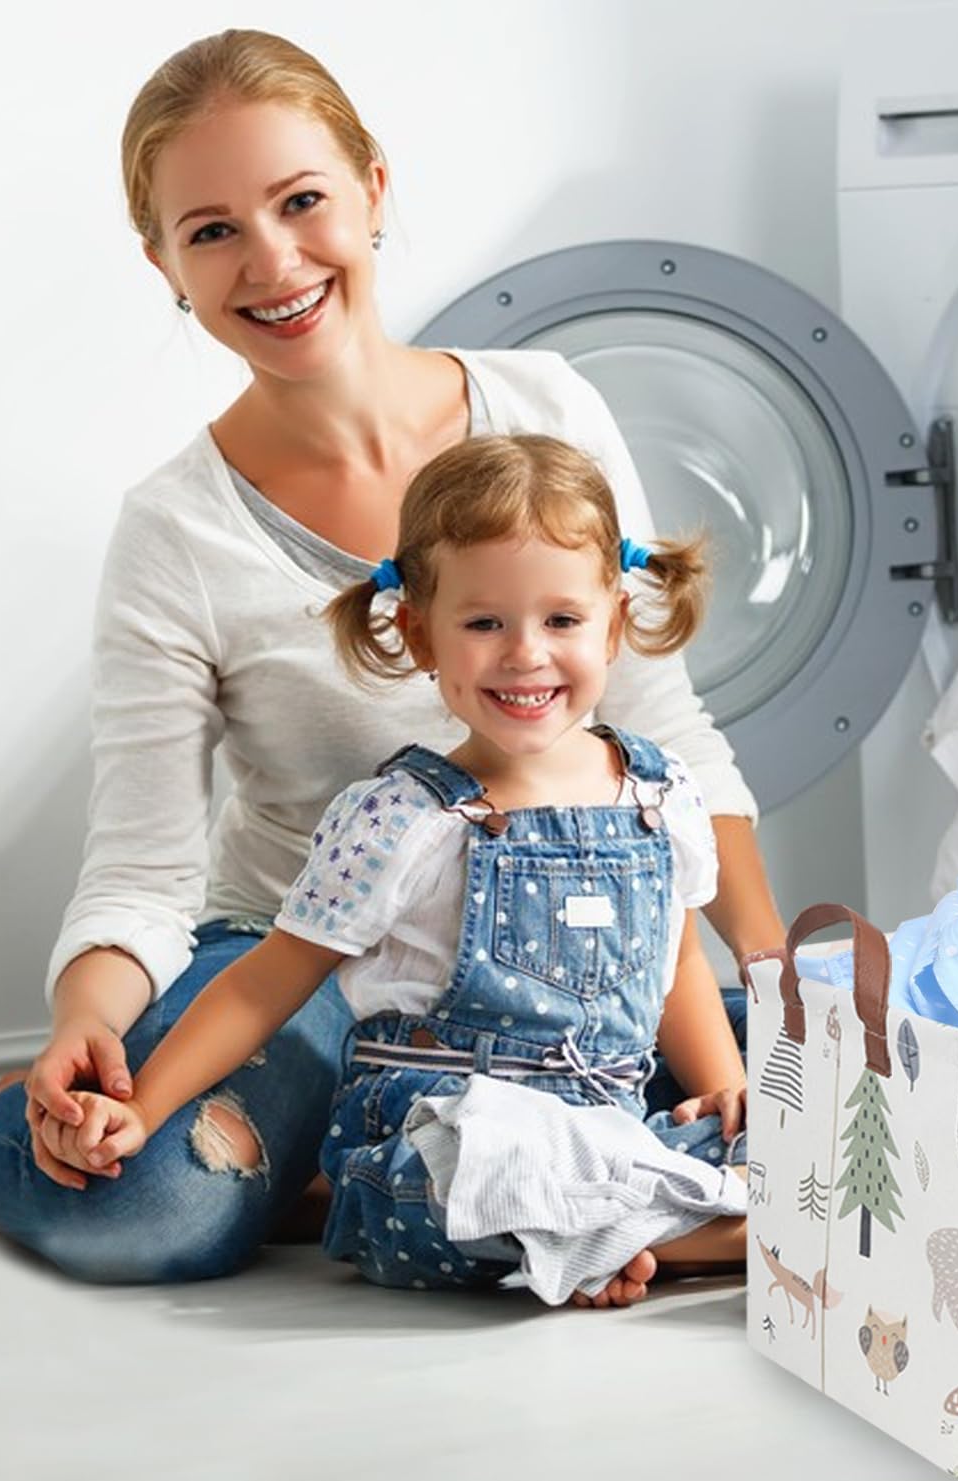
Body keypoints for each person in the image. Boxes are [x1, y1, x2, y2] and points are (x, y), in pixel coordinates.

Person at [0, 29, 781, 1287]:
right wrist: (88, 1023)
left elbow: (662, 730)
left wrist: (774, 972)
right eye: (213, 231)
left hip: (555, 962)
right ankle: (276, 1137)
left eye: (302, 202)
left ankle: (402, 1171)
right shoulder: (174, 529)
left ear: (373, 188)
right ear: (164, 265)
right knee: (142, 1213)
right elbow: (140, 865)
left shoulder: (547, 406)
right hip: (304, 958)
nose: (274, 261)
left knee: (810, 1088)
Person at [46, 433, 749, 1307]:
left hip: (604, 1127)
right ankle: (688, 1236)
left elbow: (674, 957)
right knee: (472, 1171)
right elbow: (265, 985)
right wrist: (145, 1109)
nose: (526, 653)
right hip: (446, 1133)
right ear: (420, 635)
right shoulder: (405, 817)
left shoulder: (658, 793)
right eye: (484, 622)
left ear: (613, 624)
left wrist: (724, 1088)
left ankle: (612, 1231)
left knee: (762, 1111)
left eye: (561, 620)